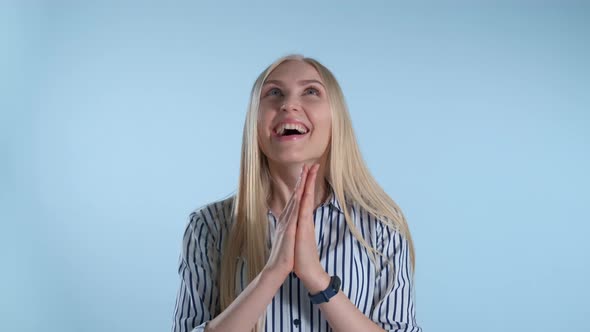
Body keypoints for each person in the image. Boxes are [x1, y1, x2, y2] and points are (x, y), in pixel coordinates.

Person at [172, 54, 422, 332]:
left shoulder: (381, 227)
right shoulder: (208, 226)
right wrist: (272, 272)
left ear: (335, 118)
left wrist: (317, 279)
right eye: (274, 93)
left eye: (311, 91)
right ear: (254, 120)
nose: (289, 104)